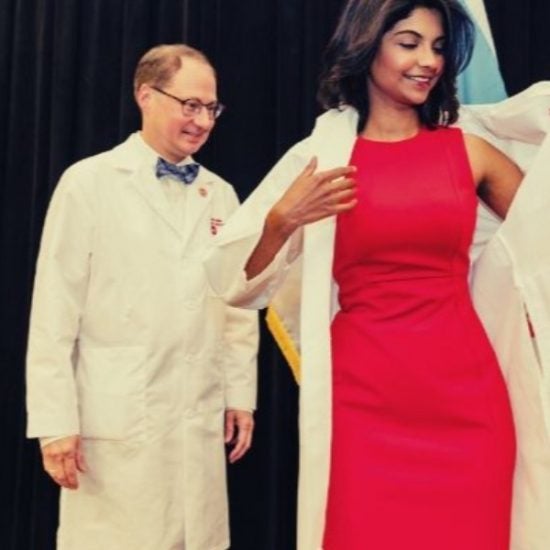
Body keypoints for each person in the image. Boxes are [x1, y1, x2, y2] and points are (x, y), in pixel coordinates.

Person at [203, 1, 550, 549]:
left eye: (437, 47)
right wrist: (282, 220)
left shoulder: (470, 151)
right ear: (367, 47)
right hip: (363, 406)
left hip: (467, 402)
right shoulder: (320, 159)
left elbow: (542, 234)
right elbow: (232, 283)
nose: (428, 61)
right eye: (409, 43)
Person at [26, 44, 258, 550]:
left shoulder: (221, 194)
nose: (202, 121)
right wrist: (54, 425)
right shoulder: (88, 183)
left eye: (211, 108)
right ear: (146, 96)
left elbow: (234, 305)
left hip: (196, 415)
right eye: (189, 105)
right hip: (114, 426)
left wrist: (239, 394)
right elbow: (53, 313)